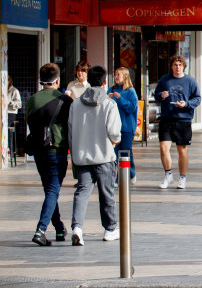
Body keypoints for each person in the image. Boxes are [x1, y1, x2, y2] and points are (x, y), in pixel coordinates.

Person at [69, 65, 122, 246]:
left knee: (82, 192)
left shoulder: (76, 104)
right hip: (104, 156)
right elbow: (114, 132)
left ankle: (77, 228)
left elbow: (70, 129)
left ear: (89, 80)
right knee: (106, 193)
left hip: (82, 156)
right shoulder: (109, 104)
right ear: (105, 81)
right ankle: (110, 229)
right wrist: (114, 141)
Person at [27, 63, 73, 246]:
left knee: (49, 190)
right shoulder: (65, 100)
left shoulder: (32, 100)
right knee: (53, 190)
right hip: (57, 150)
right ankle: (41, 229)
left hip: (38, 151)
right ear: (58, 80)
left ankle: (59, 228)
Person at [156, 55, 202, 190]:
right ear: (171, 66)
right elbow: (157, 95)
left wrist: (186, 104)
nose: (177, 67)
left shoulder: (190, 81)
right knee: (163, 148)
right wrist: (161, 96)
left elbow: (197, 99)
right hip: (166, 118)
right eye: (175, 65)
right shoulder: (165, 80)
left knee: (182, 150)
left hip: (183, 119)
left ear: (184, 66)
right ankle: (168, 174)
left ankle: (182, 177)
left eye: (180, 65)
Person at [108, 67, 139, 185]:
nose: (116, 77)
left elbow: (132, 108)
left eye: (118, 75)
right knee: (114, 153)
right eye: (115, 74)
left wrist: (119, 98)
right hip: (113, 127)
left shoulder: (131, 91)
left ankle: (130, 173)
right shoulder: (110, 90)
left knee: (125, 152)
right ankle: (115, 178)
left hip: (126, 128)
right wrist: (108, 98)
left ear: (125, 77)